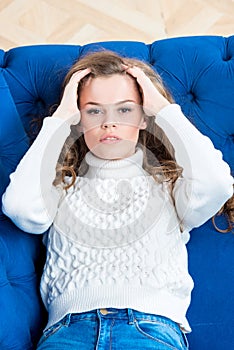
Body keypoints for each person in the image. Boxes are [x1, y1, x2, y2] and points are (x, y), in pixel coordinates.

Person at [2, 50, 233, 350]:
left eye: (124, 110)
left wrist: (161, 108)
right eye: (94, 111)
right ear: (78, 119)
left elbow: (217, 183)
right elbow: (19, 206)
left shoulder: (168, 186)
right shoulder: (61, 187)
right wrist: (60, 119)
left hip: (150, 329)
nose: (109, 122)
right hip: (68, 333)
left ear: (143, 117)